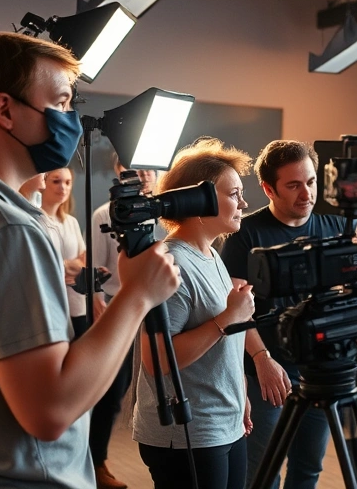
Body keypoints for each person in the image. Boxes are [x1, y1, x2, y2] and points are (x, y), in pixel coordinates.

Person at [0, 31, 179, 488]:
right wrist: (138, 295)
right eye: (62, 103)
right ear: (5, 110)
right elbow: (50, 410)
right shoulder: (5, 230)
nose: (71, 121)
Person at [219, 139, 357, 489]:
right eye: (293, 185)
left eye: (311, 182)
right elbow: (236, 310)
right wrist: (261, 359)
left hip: (320, 369)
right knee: (263, 471)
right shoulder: (246, 234)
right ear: (268, 189)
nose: (306, 194)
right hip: (269, 370)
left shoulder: (336, 222)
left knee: (308, 468)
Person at [132, 137, 255, 489]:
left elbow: (222, 346)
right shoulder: (173, 263)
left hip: (224, 423)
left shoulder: (211, 254)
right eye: (234, 194)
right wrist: (227, 318)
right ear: (199, 200)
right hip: (188, 433)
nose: (243, 203)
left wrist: (240, 393)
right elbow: (156, 360)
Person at [88, 155, 158, 489]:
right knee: (113, 391)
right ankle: (97, 462)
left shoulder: (167, 212)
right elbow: (95, 268)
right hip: (122, 307)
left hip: (162, 306)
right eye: (134, 169)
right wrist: (98, 301)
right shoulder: (105, 215)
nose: (143, 175)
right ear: (119, 172)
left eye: (148, 168)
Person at [39, 167, 89, 336]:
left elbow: (84, 260)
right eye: (56, 181)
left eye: (68, 182)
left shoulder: (71, 222)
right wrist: (66, 266)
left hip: (76, 303)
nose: (63, 187)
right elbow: (38, 265)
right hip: (50, 306)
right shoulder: (35, 221)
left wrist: (64, 267)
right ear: (43, 182)